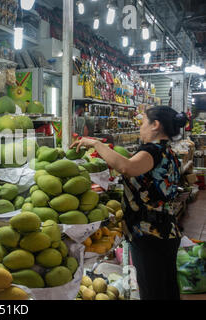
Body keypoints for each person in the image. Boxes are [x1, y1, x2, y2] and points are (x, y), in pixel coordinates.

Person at [71, 106, 188, 300]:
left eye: (143, 122)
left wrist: (95, 144)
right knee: (166, 289)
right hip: (165, 230)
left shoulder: (152, 151)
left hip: (150, 234)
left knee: (153, 291)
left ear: (155, 125)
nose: (140, 127)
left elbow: (126, 167)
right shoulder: (168, 152)